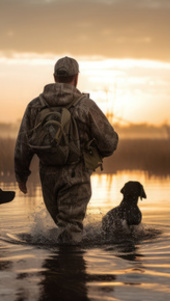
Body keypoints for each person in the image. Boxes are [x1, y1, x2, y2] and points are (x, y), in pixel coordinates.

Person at [14, 56, 118, 243]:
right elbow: (110, 143)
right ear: (76, 77)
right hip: (75, 176)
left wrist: (21, 175)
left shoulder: (35, 106)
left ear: (54, 77)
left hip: (47, 177)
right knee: (70, 234)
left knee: (64, 229)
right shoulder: (85, 106)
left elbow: (23, 144)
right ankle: (71, 270)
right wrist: (94, 153)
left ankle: (57, 270)